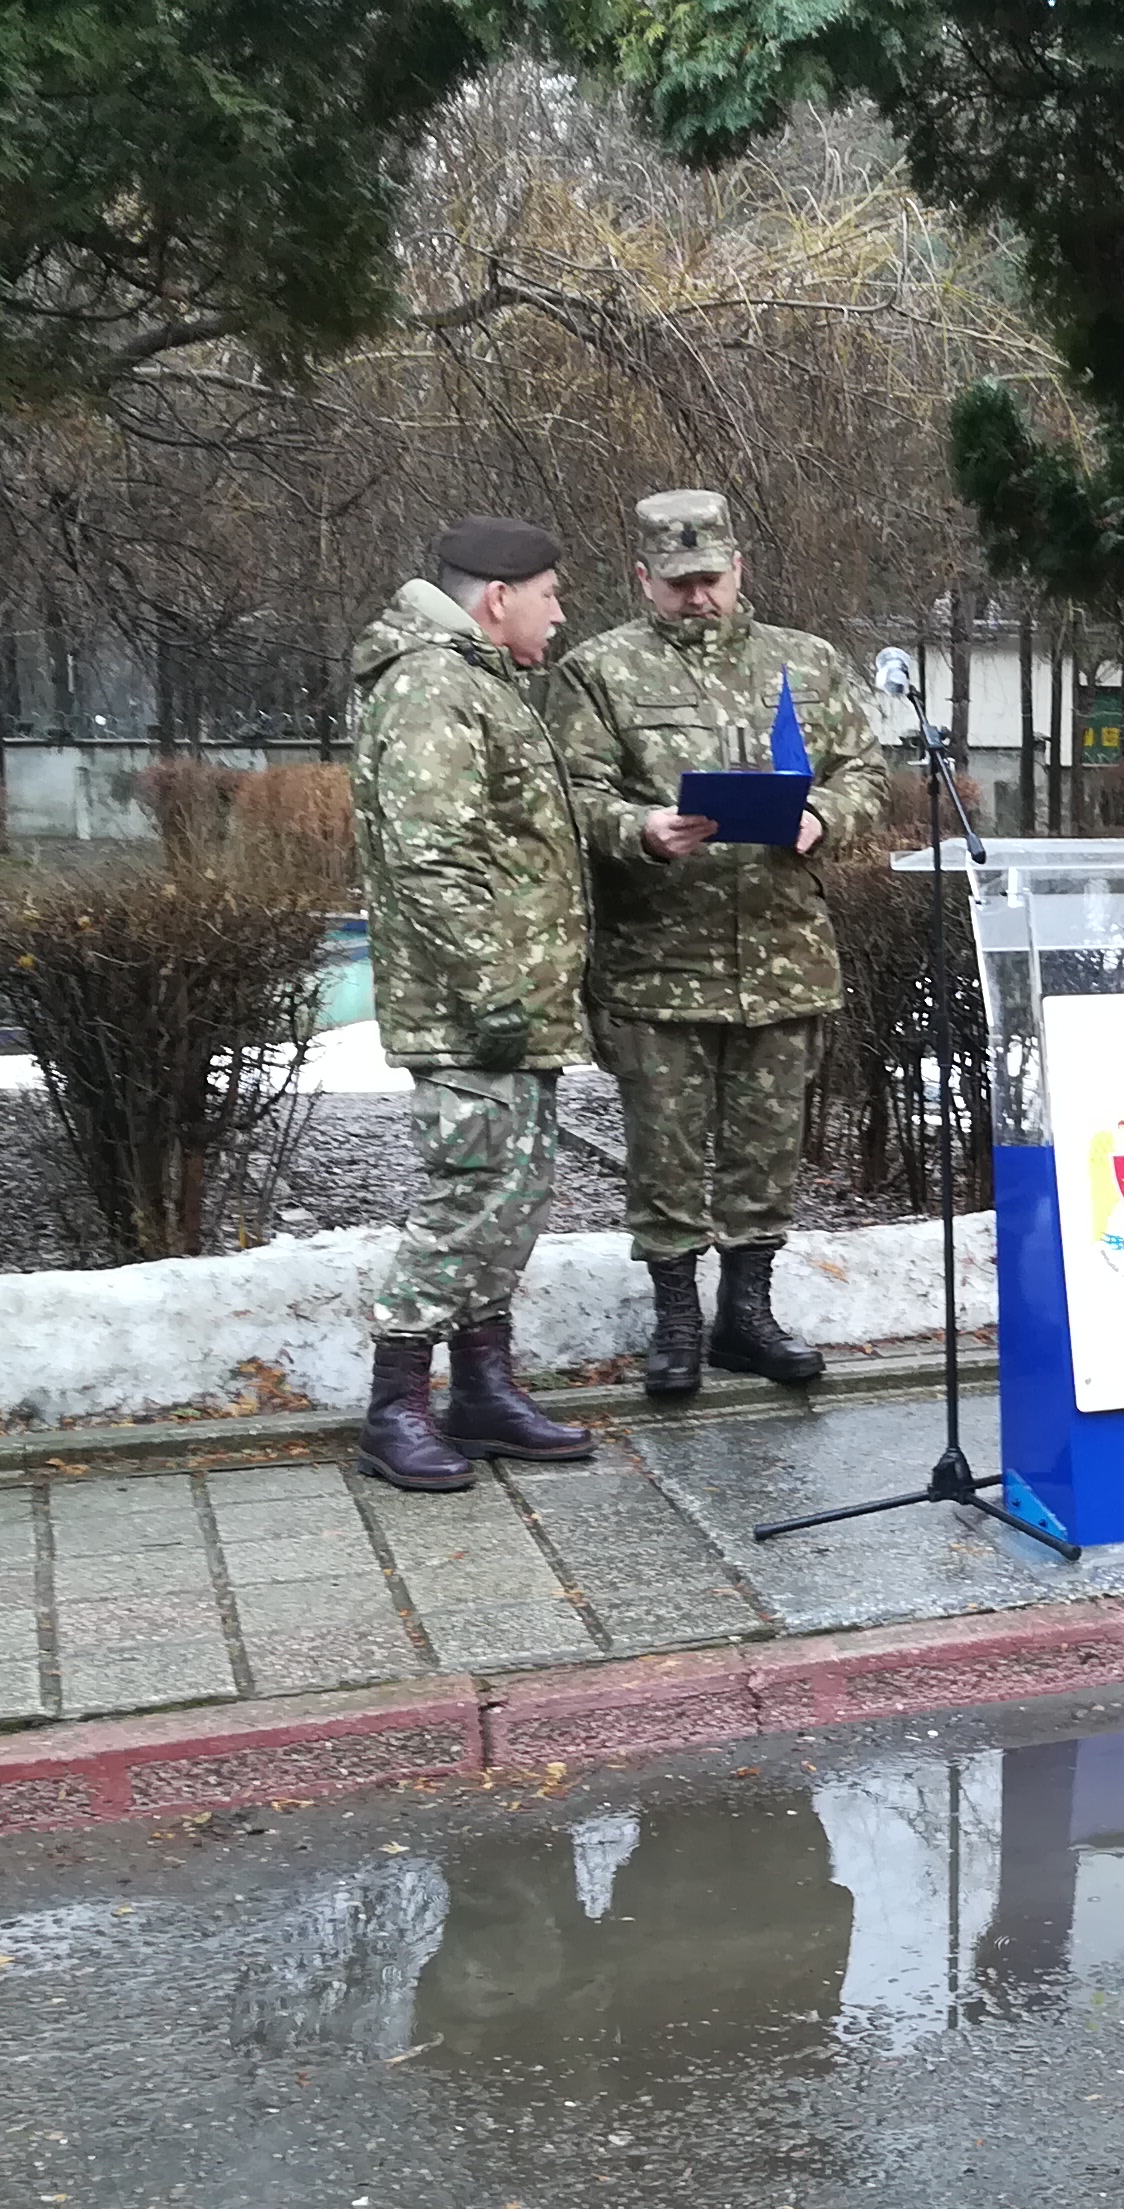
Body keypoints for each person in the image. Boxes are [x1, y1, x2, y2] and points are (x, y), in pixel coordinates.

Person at [347, 514, 709, 1491]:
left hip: (511, 1009)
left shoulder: (477, 680)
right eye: (549, 596)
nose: (559, 614)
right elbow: (431, 859)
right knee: (467, 1200)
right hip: (473, 1014)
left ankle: (481, 1391)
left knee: (509, 1203)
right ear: (499, 598)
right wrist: (494, 990)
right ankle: (393, 1407)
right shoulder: (431, 686)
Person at [548, 488, 888, 1401]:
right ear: (642, 579)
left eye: (710, 578)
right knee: (664, 1153)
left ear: (739, 568)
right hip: (658, 962)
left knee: (765, 1151)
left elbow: (866, 772)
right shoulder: (598, 672)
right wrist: (638, 828)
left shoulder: (806, 663)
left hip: (781, 955)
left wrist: (824, 815)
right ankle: (675, 1319)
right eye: (677, 583)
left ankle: (746, 1315)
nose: (697, 597)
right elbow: (568, 795)